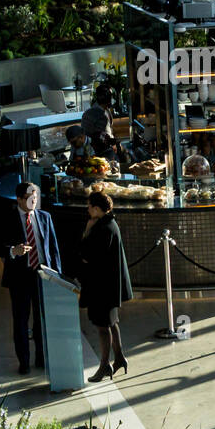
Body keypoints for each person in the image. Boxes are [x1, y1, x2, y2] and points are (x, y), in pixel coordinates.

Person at [0, 182, 62, 374]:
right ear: (19, 199)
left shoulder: (45, 217)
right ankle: (24, 362)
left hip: (42, 274)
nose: (34, 201)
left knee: (42, 320)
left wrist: (57, 276)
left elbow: (53, 248)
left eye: (36, 197)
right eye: (29, 198)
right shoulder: (7, 219)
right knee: (21, 320)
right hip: (19, 277)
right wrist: (12, 251)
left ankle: (41, 358)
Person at [78, 189, 133, 382]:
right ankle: (119, 358)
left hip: (102, 286)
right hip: (109, 285)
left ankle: (104, 365)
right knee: (112, 322)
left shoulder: (102, 228)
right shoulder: (110, 223)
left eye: (89, 207)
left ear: (95, 208)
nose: (87, 210)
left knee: (102, 327)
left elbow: (87, 255)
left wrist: (86, 231)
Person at [81, 87, 117, 155]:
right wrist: (113, 142)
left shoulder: (105, 110)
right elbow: (99, 137)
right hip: (98, 152)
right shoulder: (98, 114)